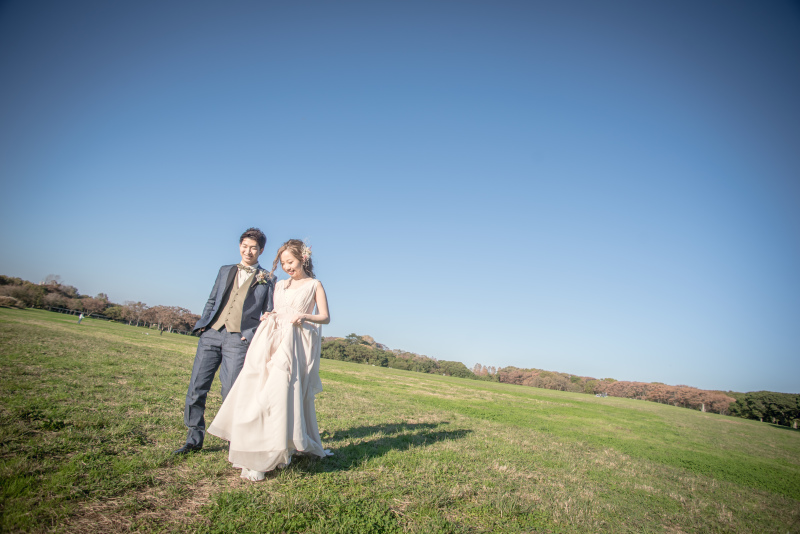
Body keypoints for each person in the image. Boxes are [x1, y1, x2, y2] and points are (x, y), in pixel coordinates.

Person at [208, 239, 331, 480]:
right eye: (283, 263)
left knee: (280, 392)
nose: (287, 267)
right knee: (257, 389)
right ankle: (255, 446)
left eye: (291, 262)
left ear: (303, 259)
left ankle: (274, 451)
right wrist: (269, 315)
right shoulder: (280, 285)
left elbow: (325, 317)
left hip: (293, 343)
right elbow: (277, 309)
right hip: (269, 340)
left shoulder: (314, 285)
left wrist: (304, 316)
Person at [173, 228, 275, 455]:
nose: (248, 251)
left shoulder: (268, 278)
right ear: (240, 246)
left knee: (231, 391)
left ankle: (234, 440)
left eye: (254, 248)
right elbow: (212, 299)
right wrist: (204, 325)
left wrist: (248, 334)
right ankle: (193, 438)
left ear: (261, 250)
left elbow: (268, 313)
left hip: (238, 340)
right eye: (245, 246)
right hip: (211, 334)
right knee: (197, 388)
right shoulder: (224, 270)